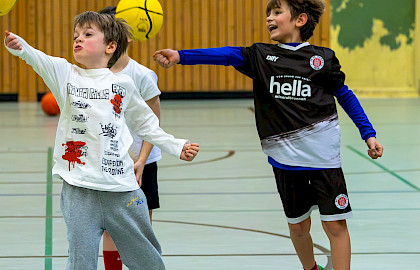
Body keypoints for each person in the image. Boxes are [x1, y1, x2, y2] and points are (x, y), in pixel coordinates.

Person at [153, 0, 383, 269]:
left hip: (324, 159)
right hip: (285, 161)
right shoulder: (261, 56)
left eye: (276, 12)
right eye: (268, 14)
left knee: (335, 224)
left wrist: (368, 133)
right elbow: (225, 54)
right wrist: (181, 56)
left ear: (300, 20)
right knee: (298, 227)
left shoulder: (323, 58)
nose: (269, 18)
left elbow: (345, 96)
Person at [4, 11, 199, 270]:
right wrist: (20, 47)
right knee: (80, 262)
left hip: (122, 191)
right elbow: (38, 59)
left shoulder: (124, 84)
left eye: (87, 34)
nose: (78, 39)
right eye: (76, 35)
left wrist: (177, 146)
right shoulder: (66, 75)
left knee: (148, 260)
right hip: (78, 191)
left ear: (110, 46)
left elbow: (147, 124)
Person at [97, 6, 164, 270]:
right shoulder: (93, 75)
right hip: (108, 163)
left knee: (139, 227)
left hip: (141, 162)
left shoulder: (142, 75)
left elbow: (154, 123)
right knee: (110, 227)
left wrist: (141, 160)